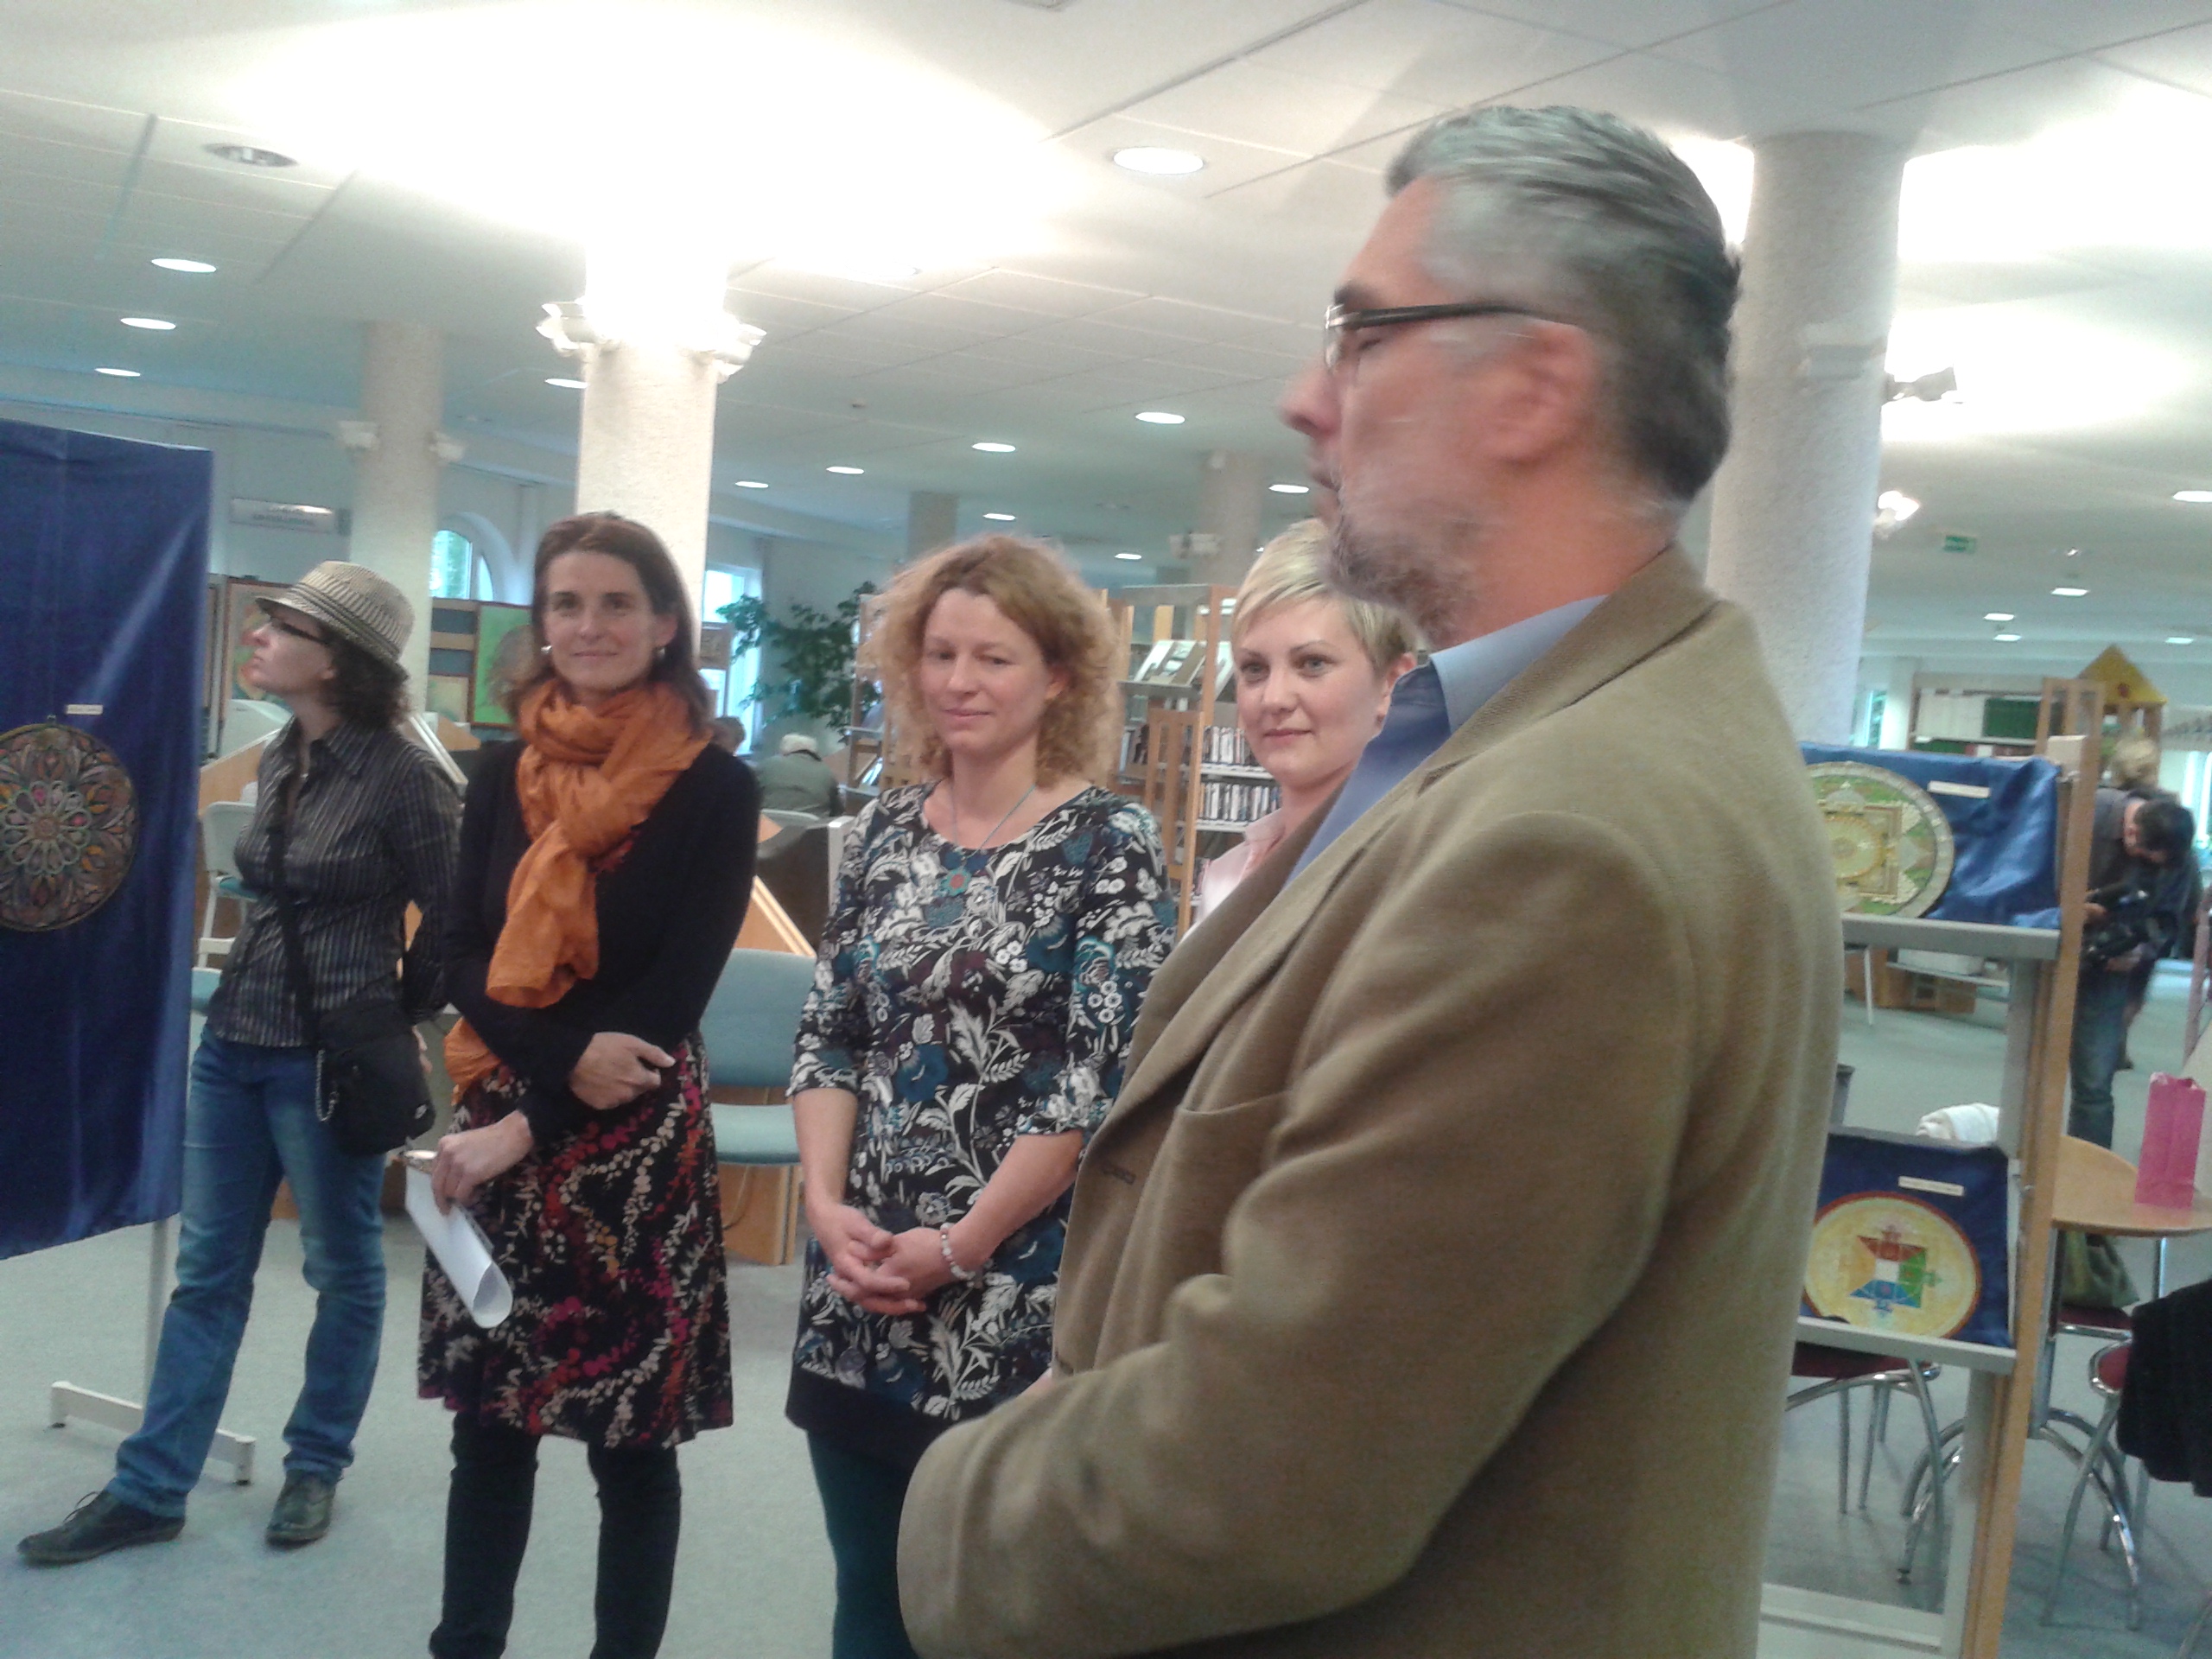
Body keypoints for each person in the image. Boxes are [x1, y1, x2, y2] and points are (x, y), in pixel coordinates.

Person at [897, 105, 1842, 1659]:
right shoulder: (1514, 742)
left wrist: (946, 1504)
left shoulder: (1568, 839)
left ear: (1536, 385)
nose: (1306, 398)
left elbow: (1269, 1476)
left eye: (1364, 335)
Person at [20, 563, 459, 1563]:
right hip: (233, 1044)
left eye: (283, 625)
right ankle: (151, 1487)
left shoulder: (404, 775)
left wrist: (393, 1014)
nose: (257, 634)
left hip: (327, 1059)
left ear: (337, 660)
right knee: (208, 1270)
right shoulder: (281, 753)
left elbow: (454, 915)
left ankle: (317, 1464)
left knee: (342, 1269)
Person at [785, 534, 1175, 1659]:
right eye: (941, 653)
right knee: (867, 1592)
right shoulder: (882, 832)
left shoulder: (1111, 845)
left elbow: (1095, 1087)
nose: (959, 681)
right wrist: (823, 1205)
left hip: (1010, 1294)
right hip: (858, 1282)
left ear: (1058, 677)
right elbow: (830, 1034)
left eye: (994, 658)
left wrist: (960, 1246)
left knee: (988, 1610)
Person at [418, 512, 760, 1659]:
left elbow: (671, 994)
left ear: (665, 625)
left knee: (631, 1446)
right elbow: (455, 955)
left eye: (618, 603)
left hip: (636, 1143)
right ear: (543, 624)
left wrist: (534, 1119)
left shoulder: (716, 789)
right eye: (567, 603)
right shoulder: (498, 771)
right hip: (506, 1117)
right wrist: (549, 1075)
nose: (590, 625)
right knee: (489, 1432)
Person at [1193, 518, 1414, 923]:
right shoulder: (1228, 874)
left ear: (1390, 682)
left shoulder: (1410, 874)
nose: (1274, 698)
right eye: (1254, 669)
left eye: (1313, 664)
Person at [2071, 786, 2195, 1147]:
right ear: (2130, 832)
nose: (2146, 867)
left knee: (2095, 1081)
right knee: (2030, 1071)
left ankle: (2088, 1164)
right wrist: (2075, 910)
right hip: (2049, 951)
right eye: (2142, 857)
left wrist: (2139, 950)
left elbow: (2169, 922)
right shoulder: (2084, 812)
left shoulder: (2177, 856)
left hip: (2110, 968)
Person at [756, 730, 845, 817]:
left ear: (784, 750)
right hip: (811, 825)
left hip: (768, 823)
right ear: (814, 752)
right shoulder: (827, 773)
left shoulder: (767, 765)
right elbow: (837, 810)